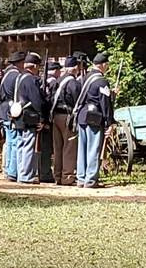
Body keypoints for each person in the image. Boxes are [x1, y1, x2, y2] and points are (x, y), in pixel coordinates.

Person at [76, 52, 114, 188]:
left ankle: (81, 178)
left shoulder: (85, 77)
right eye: (107, 65)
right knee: (93, 149)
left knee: (82, 148)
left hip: (82, 115)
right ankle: (91, 180)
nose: (107, 67)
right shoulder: (101, 81)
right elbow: (105, 103)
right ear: (103, 65)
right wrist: (110, 123)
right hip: (94, 117)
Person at [13, 52, 48, 184]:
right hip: (29, 116)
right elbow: (36, 101)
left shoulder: (20, 77)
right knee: (27, 146)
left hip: (19, 115)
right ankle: (26, 175)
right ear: (34, 66)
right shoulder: (30, 80)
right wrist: (42, 118)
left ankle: (21, 173)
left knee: (21, 145)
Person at [51, 56, 81, 186]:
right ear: (76, 68)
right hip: (67, 117)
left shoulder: (59, 80)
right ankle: (67, 177)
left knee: (58, 147)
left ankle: (57, 175)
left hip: (56, 115)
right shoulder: (73, 83)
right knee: (69, 147)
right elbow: (77, 101)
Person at [0, 51, 25, 182]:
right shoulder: (16, 76)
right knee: (14, 142)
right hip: (11, 111)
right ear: (20, 63)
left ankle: (8, 169)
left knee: (10, 141)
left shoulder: (6, 74)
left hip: (4, 109)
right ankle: (12, 171)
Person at [39, 60, 61, 183]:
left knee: (43, 147)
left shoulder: (41, 81)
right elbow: (49, 102)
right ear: (56, 70)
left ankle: (43, 171)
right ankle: (45, 173)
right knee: (46, 148)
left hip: (42, 117)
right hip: (48, 119)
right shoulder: (53, 83)